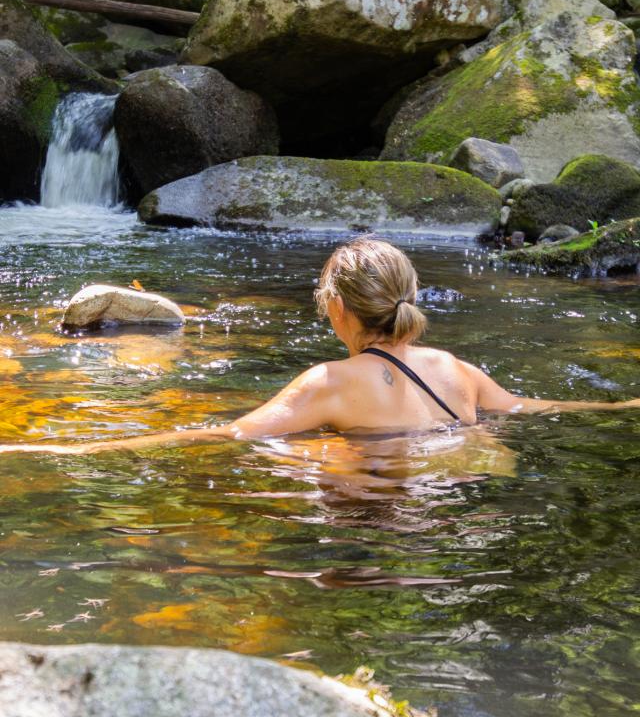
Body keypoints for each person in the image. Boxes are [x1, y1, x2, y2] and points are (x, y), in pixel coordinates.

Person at [1, 237, 638, 455]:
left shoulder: (329, 381)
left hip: (373, 518)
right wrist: (623, 409)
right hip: (453, 495)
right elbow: (532, 408)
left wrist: (75, 446)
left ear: (335, 307)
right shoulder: (455, 369)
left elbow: (229, 436)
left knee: (298, 462)